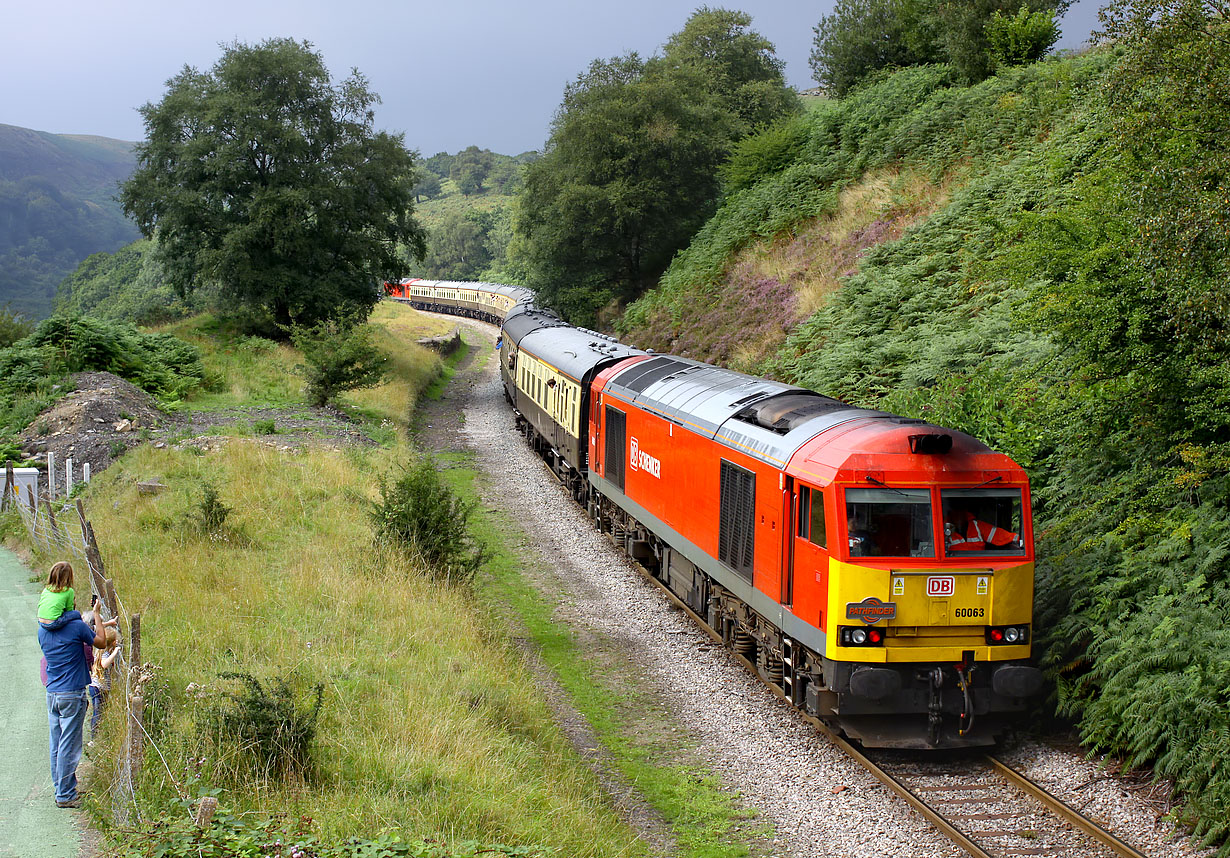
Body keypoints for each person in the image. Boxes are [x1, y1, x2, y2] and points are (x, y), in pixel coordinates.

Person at [37, 575, 117, 808]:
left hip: (52, 691)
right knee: (69, 744)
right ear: (68, 604)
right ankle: (65, 794)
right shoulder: (76, 626)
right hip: (71, 691)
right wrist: (98, 614)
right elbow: (101, 642)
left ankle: (61, 787)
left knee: (57, 743)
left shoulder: (43, 629)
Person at [88, 625, 120, 740]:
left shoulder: (99, 650)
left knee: (100, 711)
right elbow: (104, 664)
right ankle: (94, 738)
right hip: (98, 687)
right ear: (113, 642)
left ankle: (97, 734)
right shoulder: (104, 654)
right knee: (98, 712)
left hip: (99, 687)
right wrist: (115, 652)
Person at [946, 509, 1018, 551]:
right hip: (957, 567)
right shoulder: (943, 530)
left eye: (960, 512)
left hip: (980, 564)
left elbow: (1000, 535)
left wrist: (1022, 540)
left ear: (964, 513)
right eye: (955, 513)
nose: (958, 516)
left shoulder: (976, 526)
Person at [38, 560, 75, 625]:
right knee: (76, 614)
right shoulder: (69, 591)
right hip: (54, 622)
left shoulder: (46, 589)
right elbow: (69, 610)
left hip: (41, 620)